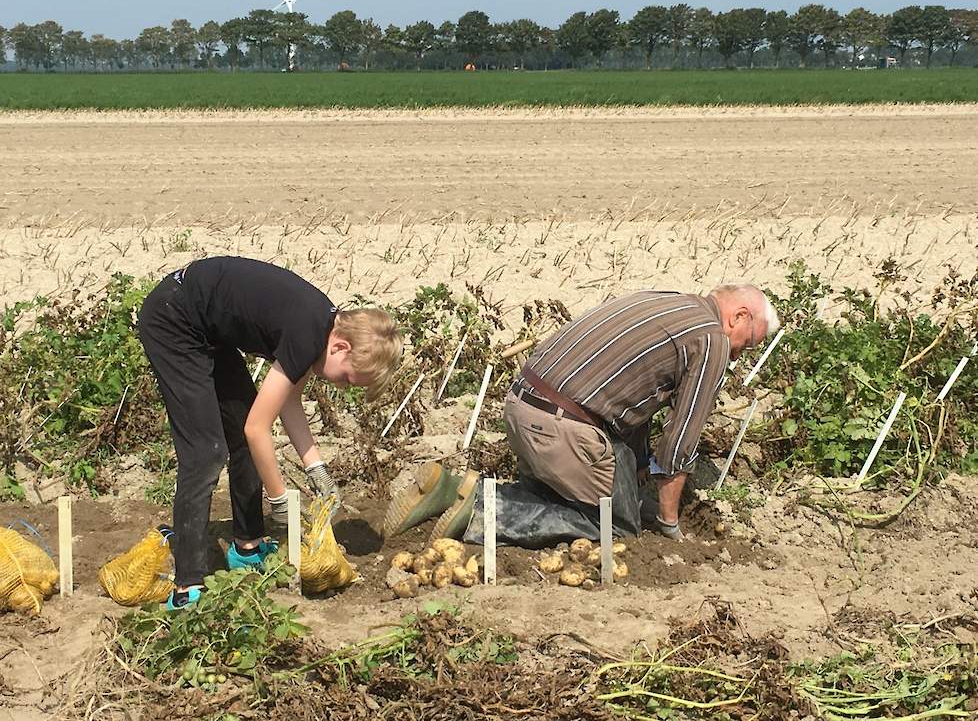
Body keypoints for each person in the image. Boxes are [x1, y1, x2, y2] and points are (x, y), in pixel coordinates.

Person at [383, 284, 778, 547]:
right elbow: (679, 443)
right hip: (564, 429)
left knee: (559, 496)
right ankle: (484, 514)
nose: (742, 352)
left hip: (523, 407)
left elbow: (634, 403)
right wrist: (669, 523)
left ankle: (453, 490)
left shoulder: (667, 300)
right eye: (750, 341)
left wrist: (637, 467)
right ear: (738, 317)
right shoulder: (710, 339)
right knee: (614, 526)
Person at [138, 256, 401, 609]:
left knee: (243, 433)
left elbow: (287, 403)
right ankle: (188, 584)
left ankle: (247, 546)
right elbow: (257, 428)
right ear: (341, 347)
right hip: (174, 319)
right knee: (206, 452)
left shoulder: (321, 327)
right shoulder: (308, 333)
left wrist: (317, 469)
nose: (340, 386)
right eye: (345, 378)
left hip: (208, 329)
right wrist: (280, 500)